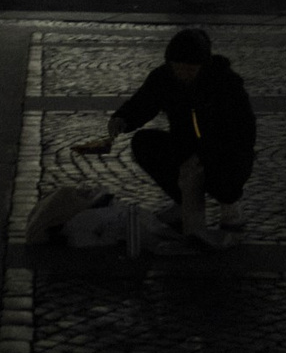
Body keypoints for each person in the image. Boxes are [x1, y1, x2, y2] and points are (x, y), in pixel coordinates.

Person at [78, 28, 256, 245]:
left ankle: (231, 207)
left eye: (191, 68)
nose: (184, 73)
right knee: (144, 143)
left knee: (223, 166)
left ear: (204, 65)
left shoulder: (226, 83)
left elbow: (244, 130)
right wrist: (123, 118)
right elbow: (144, 102)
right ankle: (182, 203)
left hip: (221, 150)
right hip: (183, 144)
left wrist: (209, 152)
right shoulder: (163, 77)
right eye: (178, 67)